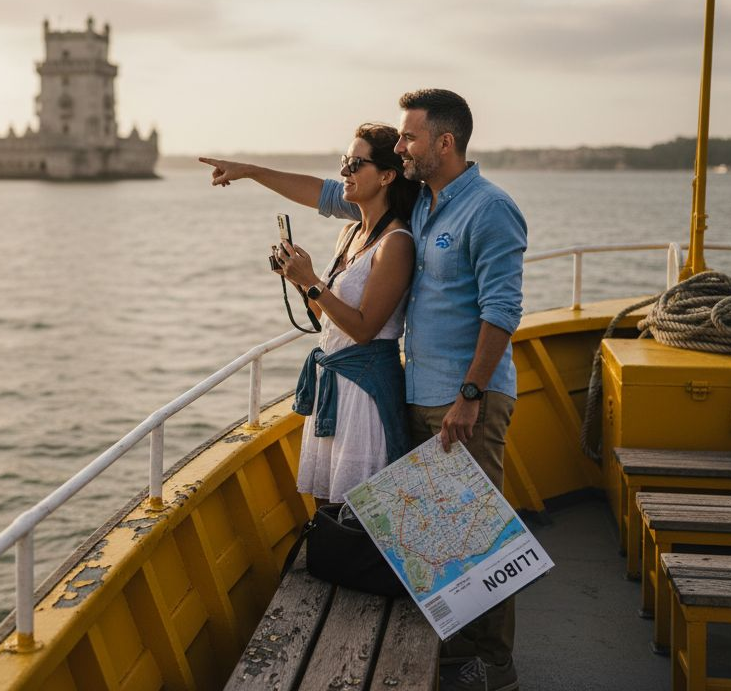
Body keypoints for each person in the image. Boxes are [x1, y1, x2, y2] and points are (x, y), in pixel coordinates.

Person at [215, 90, 528, 691]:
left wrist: (470, 394)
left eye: (410, 137)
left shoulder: (487, 209)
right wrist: (251, 170)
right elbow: (325, 194)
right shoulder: (427, 204)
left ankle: (495, 667)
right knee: (438, 534)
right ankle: (453, 652)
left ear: (444, 141)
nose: (403, 145)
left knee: (476, 536)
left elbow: (502, 311)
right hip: (417, 391)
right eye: (400, 140)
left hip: (465, 398)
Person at [200, 123, 419, 503]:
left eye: (356, 164)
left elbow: (365, 329)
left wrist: (313, 281)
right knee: (328, 499)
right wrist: (298, 278)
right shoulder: (350, 233)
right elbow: (324, 316)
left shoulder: (396, 242)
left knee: (360, 501)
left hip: (365, 387)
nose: (344, 172)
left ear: (386, 176)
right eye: (344, 161)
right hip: (334, 381)